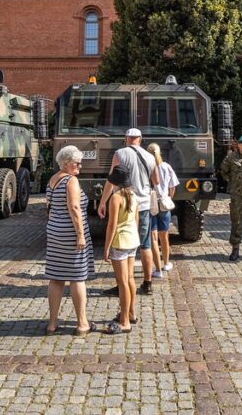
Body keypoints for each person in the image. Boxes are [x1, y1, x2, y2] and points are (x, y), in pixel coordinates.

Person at [98, 128, 160, 296]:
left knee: (122, 243)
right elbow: (156, 180)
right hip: (143, 205)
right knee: (145, 245)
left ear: (126, 138)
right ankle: (147, 283)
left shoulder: (120, 154)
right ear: (140, 139)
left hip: (123, 202)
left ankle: (122, 284)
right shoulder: (150, 156)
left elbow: (112, 179)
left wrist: (103, 202)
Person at [45, 145, 96, 336]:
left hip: (54, 232)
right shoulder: (71, 181)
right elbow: (74, 208)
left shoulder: (53, 179)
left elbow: (49, 207)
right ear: (66, 163)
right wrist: (80, 235)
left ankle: (52, 324)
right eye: (76, 163)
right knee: (77, 277)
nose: (80, 166)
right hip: (70, 234)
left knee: (56, 277)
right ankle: (82, 323)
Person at [103, 164, 139, 334]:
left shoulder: (116, 198)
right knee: (130, 279)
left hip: (120, 241)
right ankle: (131, 313)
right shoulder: (134, 195)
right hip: (132, 240)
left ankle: (124, 321)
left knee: (122, 282)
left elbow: (112, 225)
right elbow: (136, 220)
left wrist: (106, 247)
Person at [148, 143, 179, 273]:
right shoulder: (167, 166)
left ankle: (157, 270)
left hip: (151, 203)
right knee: (164, 236)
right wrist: (169, 198)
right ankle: (166, 263)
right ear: (160, 152)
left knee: (153, 238)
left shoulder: (147, 167)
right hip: (164, 203)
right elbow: (173, 187)